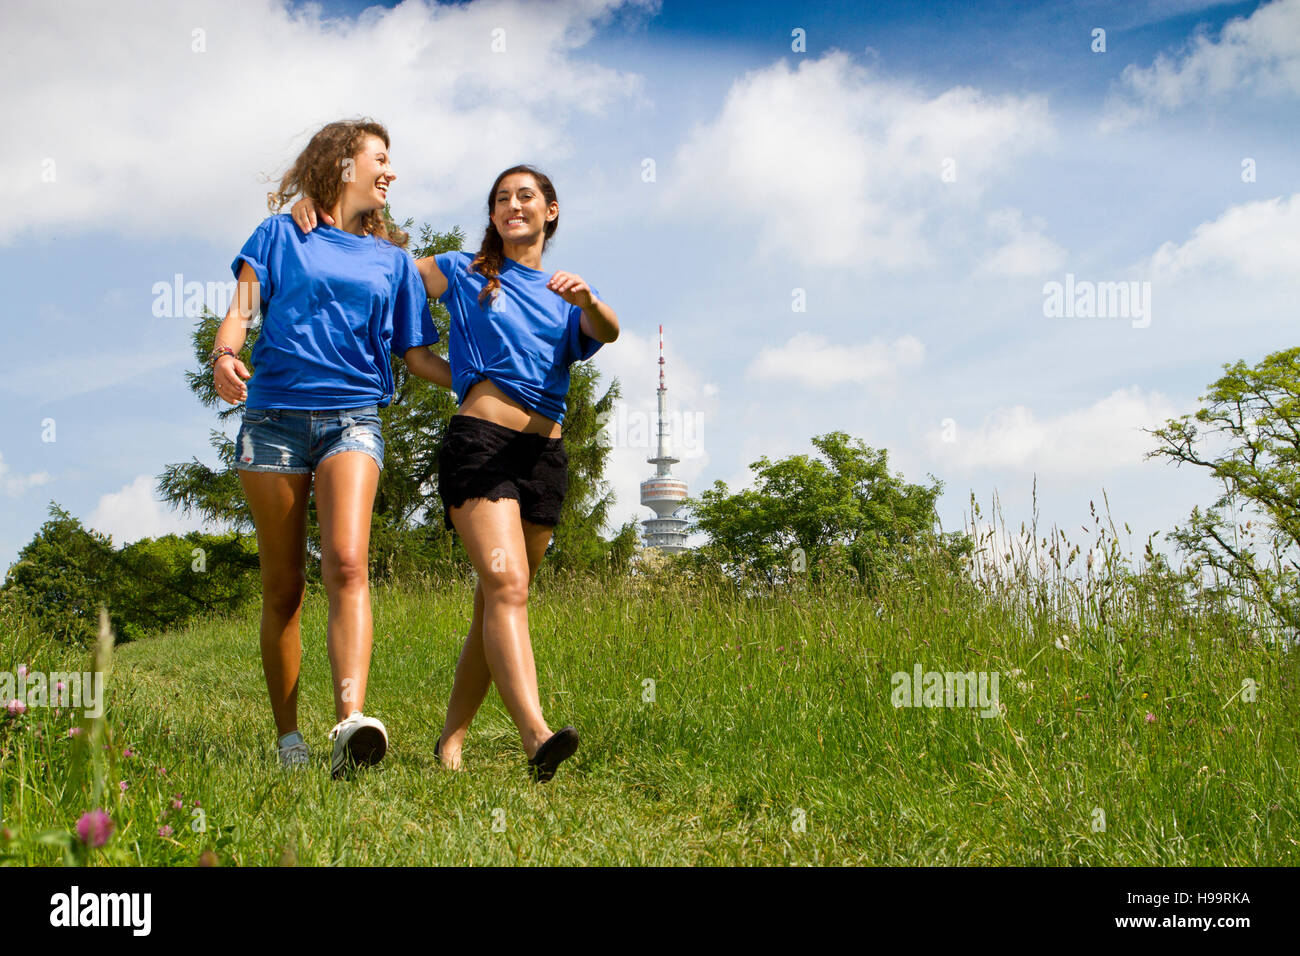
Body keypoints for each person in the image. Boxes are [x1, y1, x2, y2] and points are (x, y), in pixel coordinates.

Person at [292, 164, 619, 782]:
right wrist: (326, 211)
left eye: (525, 196)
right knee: (508, 589)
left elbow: (608, 331)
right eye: (501, 199)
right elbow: (386, 267)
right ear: (493, 215)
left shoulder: (563, 291)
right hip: (480, 446)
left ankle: (450, 743)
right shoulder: (467, 270)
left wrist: (589, 300)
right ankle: (537, 736)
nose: (511, 205)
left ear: (551, 210)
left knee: (495, 605)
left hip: (544, 457)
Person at [213, 119, 450, 777]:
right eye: (381, 158)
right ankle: (289, 741)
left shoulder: (394, 262)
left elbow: (416, 354)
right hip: (273, 421)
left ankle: (350, 723)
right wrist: (225, 352)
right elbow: (242, 307)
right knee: (284, 586)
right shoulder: (282, 233)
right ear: (343, 164)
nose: (391, 172)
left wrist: (484, 382)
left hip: (353, 417)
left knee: (347, 562)